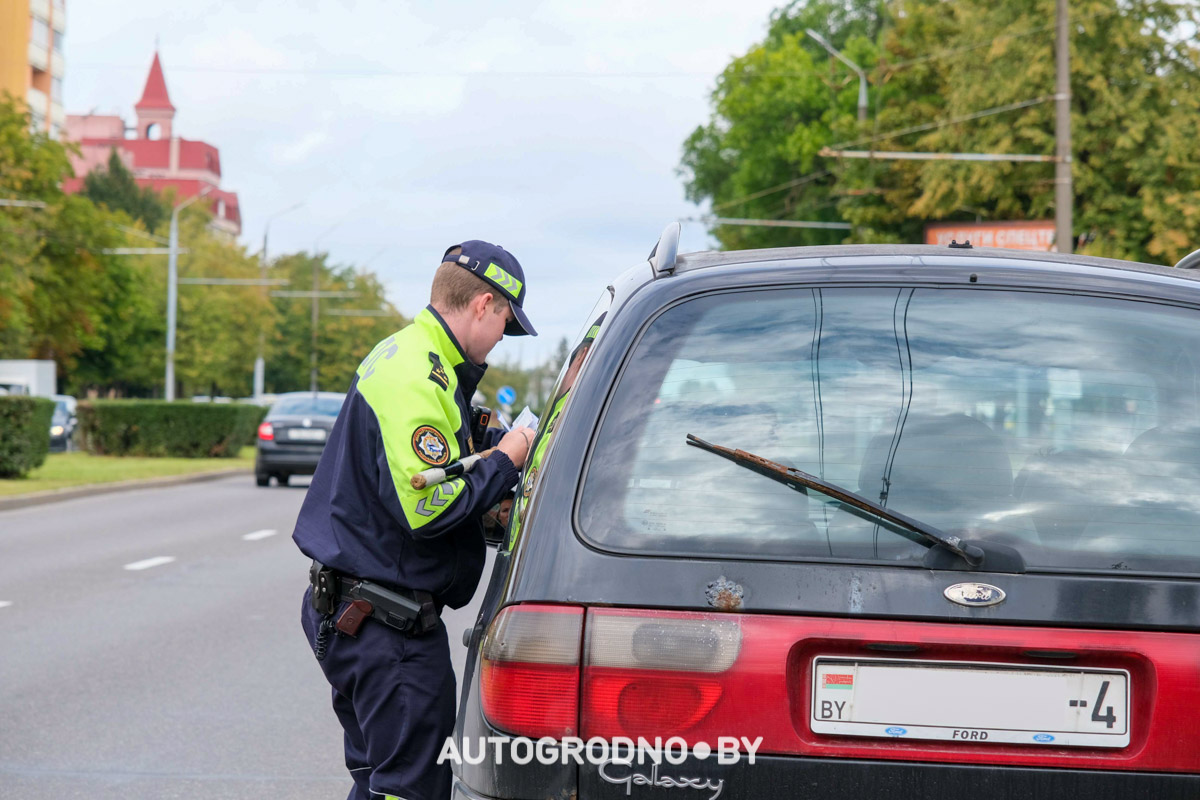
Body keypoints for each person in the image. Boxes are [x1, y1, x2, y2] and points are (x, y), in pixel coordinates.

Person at [293, 240, 536, 800]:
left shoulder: (409, 355)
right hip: (387, 629)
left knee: (381, 782)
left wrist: (481, 452)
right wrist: (505, 461)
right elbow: (428, 507)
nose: (502, 338)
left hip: (360, 614)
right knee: (410, 788)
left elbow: (416, 473)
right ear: (483, 304)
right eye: (505, 322)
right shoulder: (418, 376)